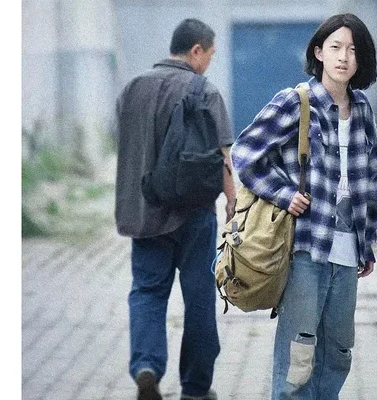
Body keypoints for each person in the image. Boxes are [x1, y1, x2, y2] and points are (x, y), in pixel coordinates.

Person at [231, 13, 377, 400]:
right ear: (319, 52)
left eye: (353, 50)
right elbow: (244, 154)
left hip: (348, 250)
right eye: (335, 47)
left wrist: (367, 241)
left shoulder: (363, 109)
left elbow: (370, 177)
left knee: (338, 352)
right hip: (305, 248)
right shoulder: (296, 102)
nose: (343, 57)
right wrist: (284, 194)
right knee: (299, 353)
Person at [114, 18, 235, 400]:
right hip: (194, 213)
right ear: (196, 50)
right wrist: (232, 203)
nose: (209, 62)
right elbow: (224, 154)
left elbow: (128, 145)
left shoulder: (131, 89)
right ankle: (196, 388)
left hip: (144, 212)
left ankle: (146, 366)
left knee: (147, 291)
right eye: (210, 54)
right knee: (199, 299)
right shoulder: (205, 90)